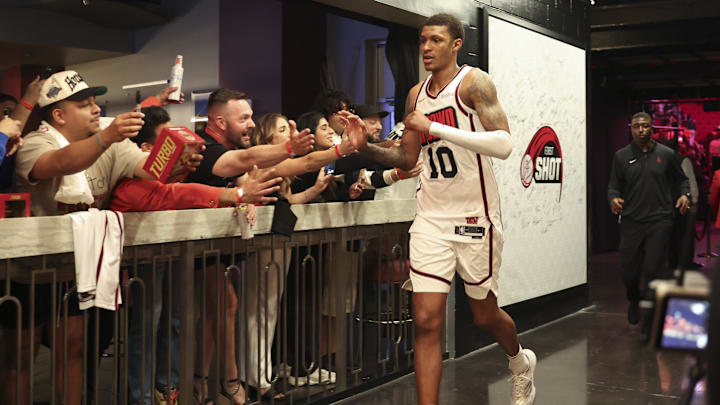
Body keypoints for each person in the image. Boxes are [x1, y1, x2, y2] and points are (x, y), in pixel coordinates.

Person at [343, 13, 535, 405]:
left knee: (484, 316)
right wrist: (365, 147)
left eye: (435, 40)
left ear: (456, 44)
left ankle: (519, 362)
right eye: (422, 41)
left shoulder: (474, 83)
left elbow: (503, 144)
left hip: (474, 217)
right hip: (431, 218)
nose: (426, 47)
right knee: (427, 322)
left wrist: (436, 128)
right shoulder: (416, 94)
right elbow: (406, 155)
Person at [1, 70, 200, 405]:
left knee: (76, 349)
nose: (95, 110)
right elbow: (59, 162)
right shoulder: (38, 141)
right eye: (84, 104)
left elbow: (151, 168)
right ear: (59, 115)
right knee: (20, 356)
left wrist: (179, 158)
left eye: (95, 102)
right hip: (30, 267)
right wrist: (105, 138)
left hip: (81, 264)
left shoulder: (113, 144)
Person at [187, 88, 312, 405]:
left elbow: (283, 168)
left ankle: (206, 382)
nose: (251, 125)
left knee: (224, 308)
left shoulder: (226, 149)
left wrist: (338, 153)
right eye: (243, 118)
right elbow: (245, 159)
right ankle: (224, 382)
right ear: (218, 120)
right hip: (193, 244)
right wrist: (288, 147)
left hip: (216, 246)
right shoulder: (205, 148)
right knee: (217, 309)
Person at [608, 112, 690, 326]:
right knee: (630, 273)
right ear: (631, 129)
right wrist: (613, 198)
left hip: (659, 220)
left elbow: (682, 180)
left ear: (652, 128)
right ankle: (634, 299)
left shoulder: (667, 154)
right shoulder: (621, 156)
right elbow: (614, 186)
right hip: (632, 221)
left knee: (653, 269)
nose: (641, 130)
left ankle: (651, 310)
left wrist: (684, 194)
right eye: (637, 126)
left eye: (645, 126)